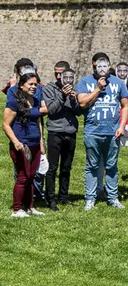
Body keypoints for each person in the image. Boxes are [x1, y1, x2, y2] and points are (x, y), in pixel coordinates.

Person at [77, 53, 128, 211]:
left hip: (113, 132)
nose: (102, 69)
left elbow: (125, 105)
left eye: (105, 66)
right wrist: (98, 89)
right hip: (92, 131)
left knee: (111, 165)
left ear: (109, 67)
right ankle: (90, 198)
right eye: (99, 66)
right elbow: (82, 103)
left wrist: (121, 126)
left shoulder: (118, 83)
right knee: (91, 165)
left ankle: (112, 197)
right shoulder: (85, 82)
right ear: (94, 67)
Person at [5, 73, 45, 218]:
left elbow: (38, 123)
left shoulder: (35, 101)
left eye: (35, 84)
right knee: (23, 176)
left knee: (31, 176)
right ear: (22, 85)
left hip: (34, 144)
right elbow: (5, 125)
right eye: (30, 84)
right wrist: (16, 142)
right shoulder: (14, 102)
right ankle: (17, 210)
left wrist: (41, 143)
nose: (34, 87)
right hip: (21, 145)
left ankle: (29, 207)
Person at [43, 65, 81, 211]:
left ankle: (63, 196)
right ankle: (50, 199)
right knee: (52, 168)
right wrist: (63, 96)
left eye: (64, 75)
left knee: (66, 167)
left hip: (70, 132)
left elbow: (78, 111)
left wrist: (73, 99)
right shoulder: (49, 88)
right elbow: (51, 110)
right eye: (57, 74)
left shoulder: (75, 89)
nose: (61, 78)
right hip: (55, 131)